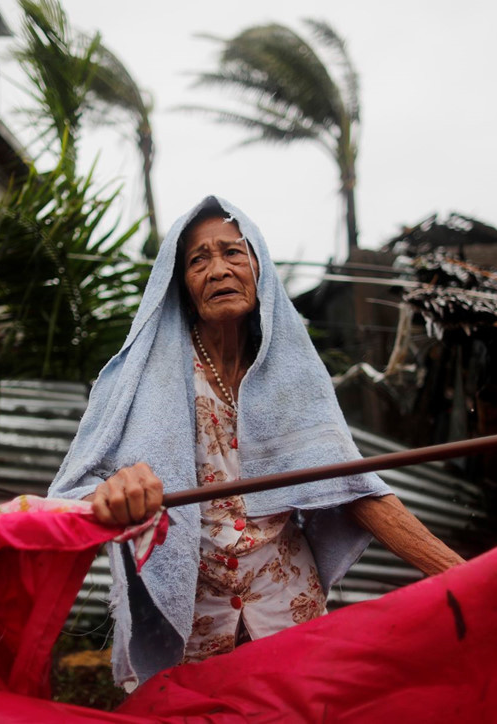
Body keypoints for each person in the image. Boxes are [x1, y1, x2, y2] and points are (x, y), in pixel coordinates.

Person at [48, 196, 464, 689]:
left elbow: (350, 485)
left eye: (233, 252)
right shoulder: (137, 380)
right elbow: (72, 491)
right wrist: (116, 487)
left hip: (287, 602)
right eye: (198, 260)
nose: (217, 269)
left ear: (259, 267)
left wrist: (464, 576)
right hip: (190, 621)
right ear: (181, 284)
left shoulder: (292, 375)